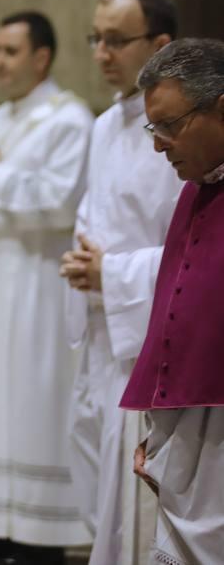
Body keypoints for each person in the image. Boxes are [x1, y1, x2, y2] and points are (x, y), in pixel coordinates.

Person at [0, 11, 94, 565]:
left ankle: (41, 534)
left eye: (10, 51)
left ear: (42, 57)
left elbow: (62, 199)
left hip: (36, 283)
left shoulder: (69, 119)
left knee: (35, 398)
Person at [60, 0, 182, 565]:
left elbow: (193, 248)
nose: (102, 53)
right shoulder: (104, 124)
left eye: (116, 40)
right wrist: (83, 263)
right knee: (100, 486)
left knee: (136, 501)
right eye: (96, 39)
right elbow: (94, 211)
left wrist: (112, 272)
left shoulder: (186, 130)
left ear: (160, 43)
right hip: (106, 328)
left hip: (151, 333)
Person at [121, 38, 224, 564]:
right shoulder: (196, 189)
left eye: (170, 125)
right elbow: (177, 317)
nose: (158, 144)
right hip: (193, 439)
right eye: (152, 127)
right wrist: (158, 433)